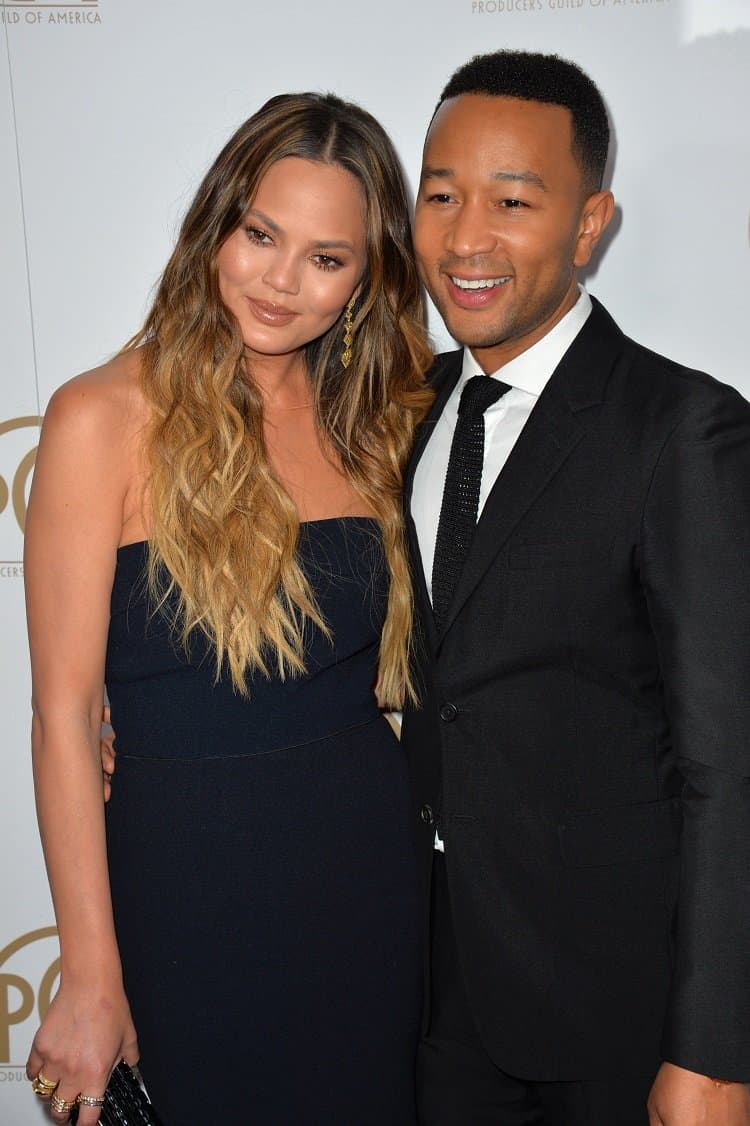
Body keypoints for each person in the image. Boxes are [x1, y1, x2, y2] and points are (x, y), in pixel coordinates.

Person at [24, 91, 432, 1126]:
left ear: (367, 278)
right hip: (184, 887)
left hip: (369, 879)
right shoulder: (101, 416)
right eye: (262, 235)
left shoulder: (388, 413)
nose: (282, 281)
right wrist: (90, 971)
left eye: (327, 258)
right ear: (219, 225)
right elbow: (66, 716)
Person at [402, 50, 750, 1126]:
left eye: (513, 201)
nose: (466, 239)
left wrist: (715, 1051)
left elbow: (732, 764)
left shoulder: (678, 428)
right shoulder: (404, 409)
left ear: (591, 224)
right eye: (443, 194)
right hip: (427, 987)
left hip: (616, 1014)